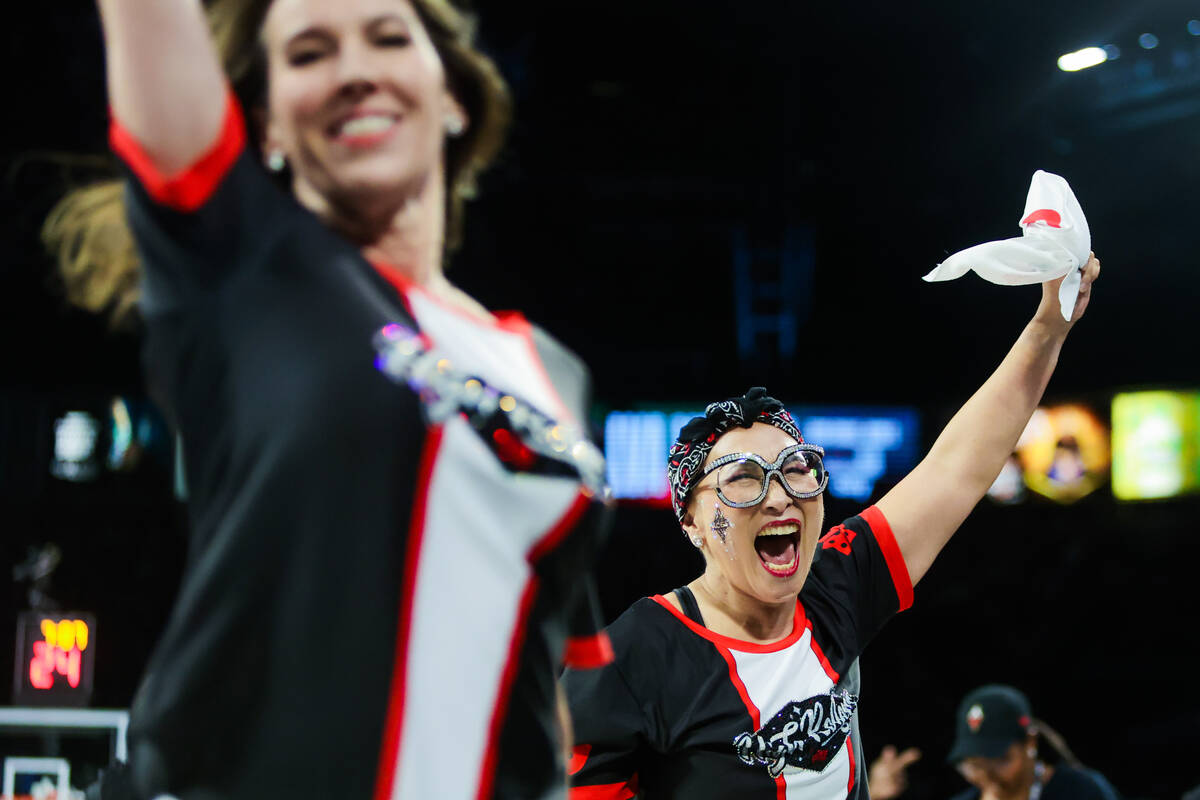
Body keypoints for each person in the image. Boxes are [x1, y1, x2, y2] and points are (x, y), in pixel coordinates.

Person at [44, 0, 612, 797]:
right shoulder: (242, 271)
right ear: (267, 128)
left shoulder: (557, 374)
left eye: (387, 37)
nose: (354, 71)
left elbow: (534, 680)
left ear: (452, 93)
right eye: (310, 54)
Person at [563, 258, 1101, 799]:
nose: (780, 497)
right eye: (744, 480)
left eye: (796, 470)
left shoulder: (835, 583)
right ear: (692, 521)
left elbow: (956, 469)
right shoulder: (630, 659)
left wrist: (1046, 330)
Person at [947, 684, 1121, 800]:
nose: (987, 775)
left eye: (1000, 760)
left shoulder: (1081, 790)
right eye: (975, 765)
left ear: (1030, 742)